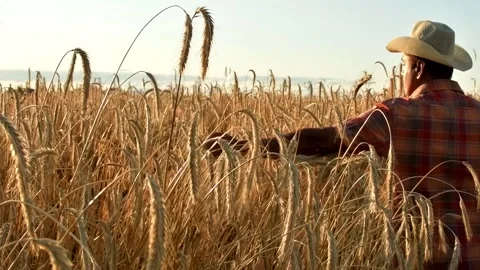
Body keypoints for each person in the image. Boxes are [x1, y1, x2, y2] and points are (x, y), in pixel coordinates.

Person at [204, 20, 480, 268]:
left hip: (414, 261)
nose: (403, 75)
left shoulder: (396, 115)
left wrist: (246, 146)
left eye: (404, 67)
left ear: (418, 68)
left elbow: (328, 139)